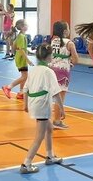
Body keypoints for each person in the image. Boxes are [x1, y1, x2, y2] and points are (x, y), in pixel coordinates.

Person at [20, 43, 65, 174]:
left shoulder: (33, 70)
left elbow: (26, 88)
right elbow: (56, 92)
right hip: (42, 104)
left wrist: (25, 104)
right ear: (49, 57)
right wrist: (61, 109)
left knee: (49, 128)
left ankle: (50, 156)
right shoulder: (49, 71)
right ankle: (26, 163)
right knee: (39, 136)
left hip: (34, 103)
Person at [49, 21, 78, 129]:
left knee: (54, 95)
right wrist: (71, 63)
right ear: (65, 31)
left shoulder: (53, 41)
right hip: (62, 71)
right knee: (60, 97)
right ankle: (57, 121)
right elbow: (76, 59)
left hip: (52, 69)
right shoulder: (69, 43)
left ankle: (52, 118)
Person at [2, 19, 32, 99]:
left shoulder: (20, 36)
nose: (28, 26)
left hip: (19, 57)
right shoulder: (21, 36)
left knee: (24, 76)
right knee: (25, 76)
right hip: (22, 59)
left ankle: (21, 92)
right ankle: (8, 87)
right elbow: (21, 50)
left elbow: (15, 46)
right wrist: (28, 60)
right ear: (22, 27)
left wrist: (27, 51)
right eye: (26, 24)